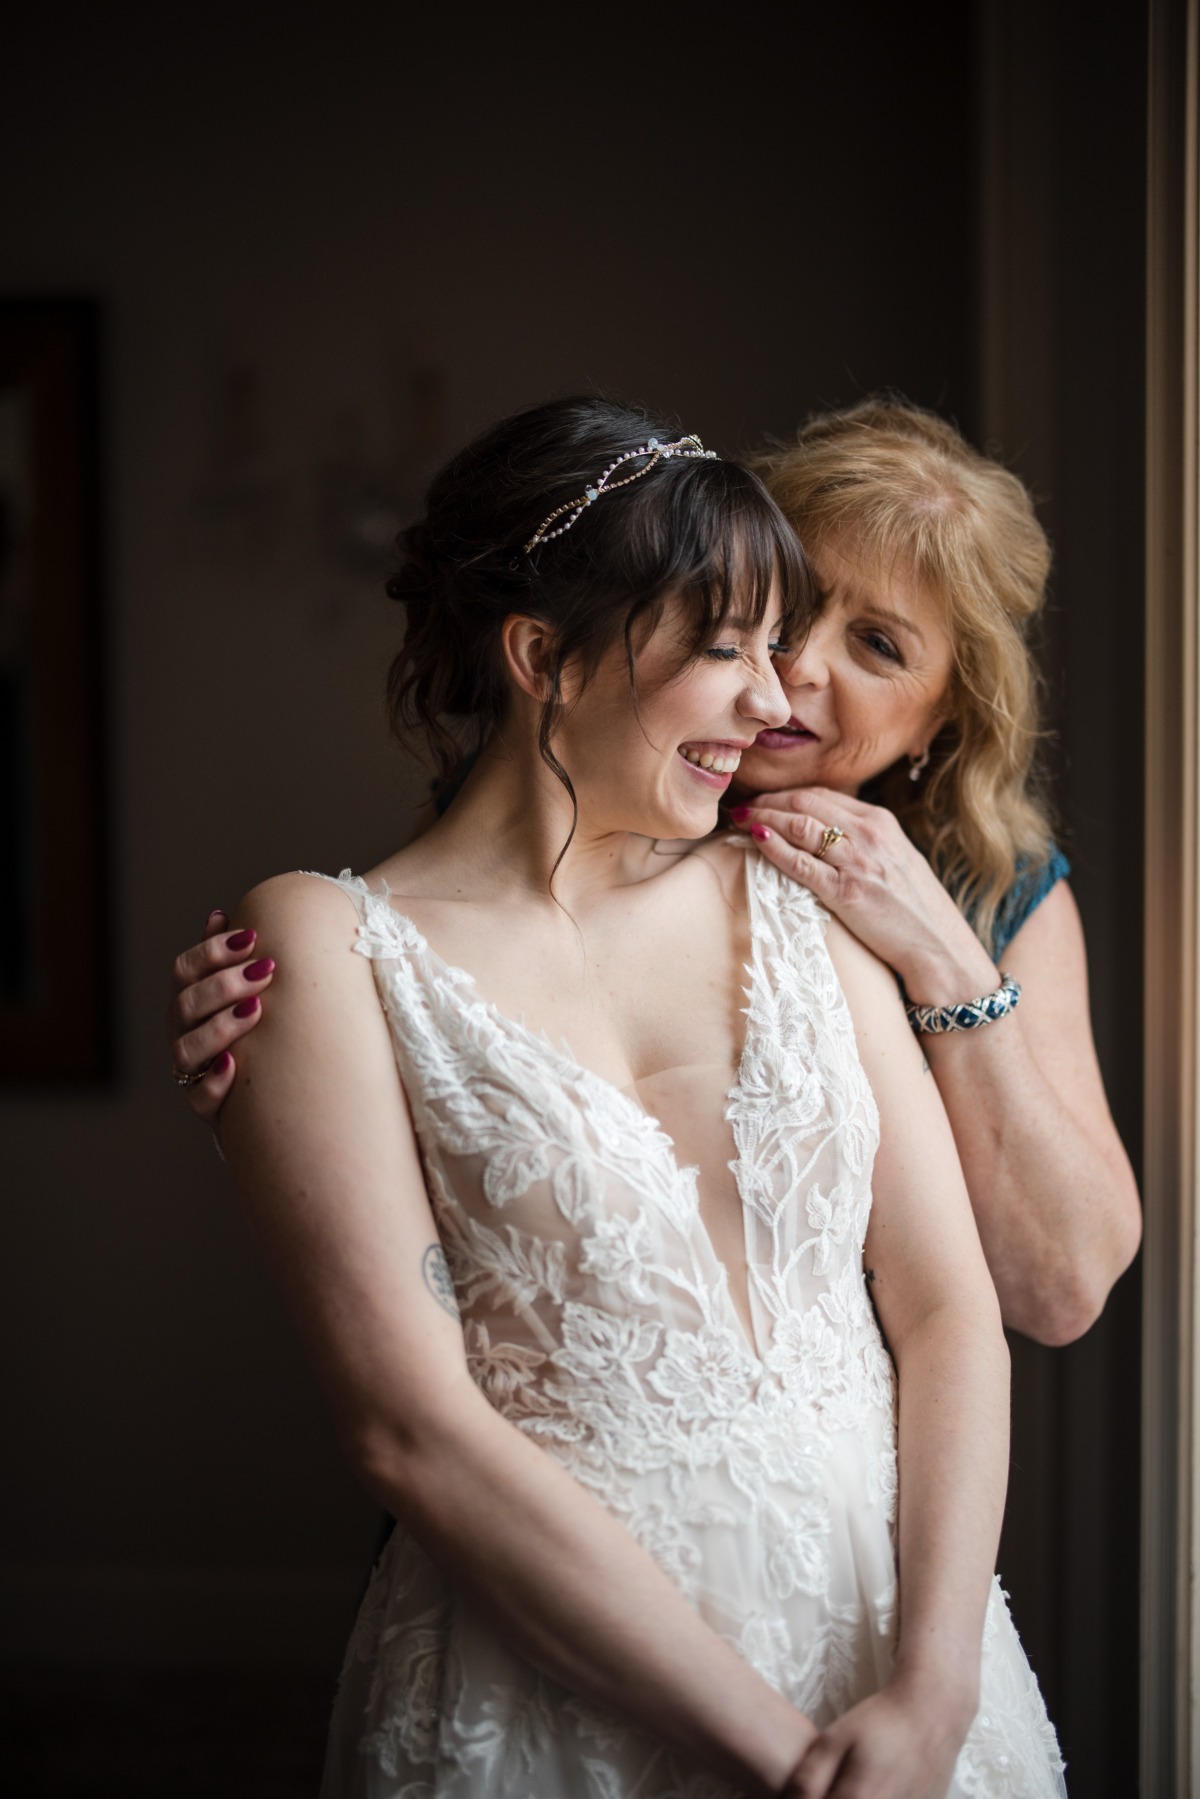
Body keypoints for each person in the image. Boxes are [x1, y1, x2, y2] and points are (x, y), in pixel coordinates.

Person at [207, 396, 1064, 1797]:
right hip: (550, 1692)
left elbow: (948, 1303)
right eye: (727, 648)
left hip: (897, 1667)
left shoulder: (800, 886)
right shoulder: (328, 946)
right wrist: (783, 1758)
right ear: (542, 654)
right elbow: (410, 1429)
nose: (778, 699)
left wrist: (933, 1684)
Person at [168, 398, 1139, 1349]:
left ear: (944, 721)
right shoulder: (552, 794)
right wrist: (296, 1070)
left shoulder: (993, 885)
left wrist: (944, 956)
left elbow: (1058, 1292)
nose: (791, 666)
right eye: (777, 610)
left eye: (877, 644)